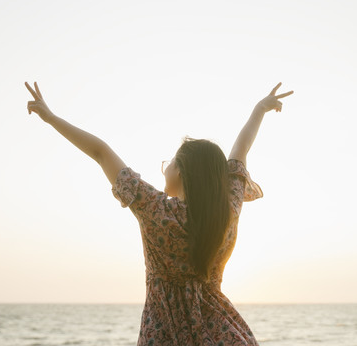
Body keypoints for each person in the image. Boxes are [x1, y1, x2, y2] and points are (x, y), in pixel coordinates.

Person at [25, 81, 294, 345]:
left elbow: (100, 152)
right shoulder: (228, 208)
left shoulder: (154, 209)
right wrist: (259, 109)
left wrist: (50, 118)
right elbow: (241, 150)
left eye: (170, 162)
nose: (165, 167)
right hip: (222, 332)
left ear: (182, 171)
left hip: (163, 333)